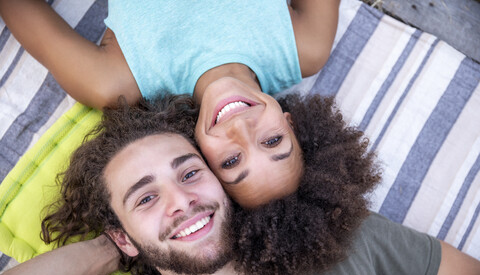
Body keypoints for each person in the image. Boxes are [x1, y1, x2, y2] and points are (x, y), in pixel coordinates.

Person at [1, 94, 479, 275]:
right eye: (145, 197)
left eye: (190, 173)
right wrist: (111, 250)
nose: (182, 201)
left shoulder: (338, 238)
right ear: (123, 233)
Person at [0, 0, 340, 207]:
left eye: (232, 160)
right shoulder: (304, 46)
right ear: (291, 123)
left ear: (202, 161)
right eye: (272, 141)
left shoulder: (118, 82)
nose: (241, 129)